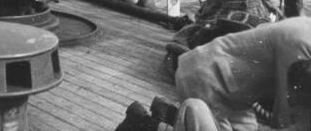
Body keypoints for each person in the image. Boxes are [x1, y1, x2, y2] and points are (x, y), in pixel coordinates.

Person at [116, 18, 311, 131]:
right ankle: (144, 123)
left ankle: (164, 112)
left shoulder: (305, 27)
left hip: (232, 87)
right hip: (208, 78)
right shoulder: (300, 45)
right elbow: (282, 117)